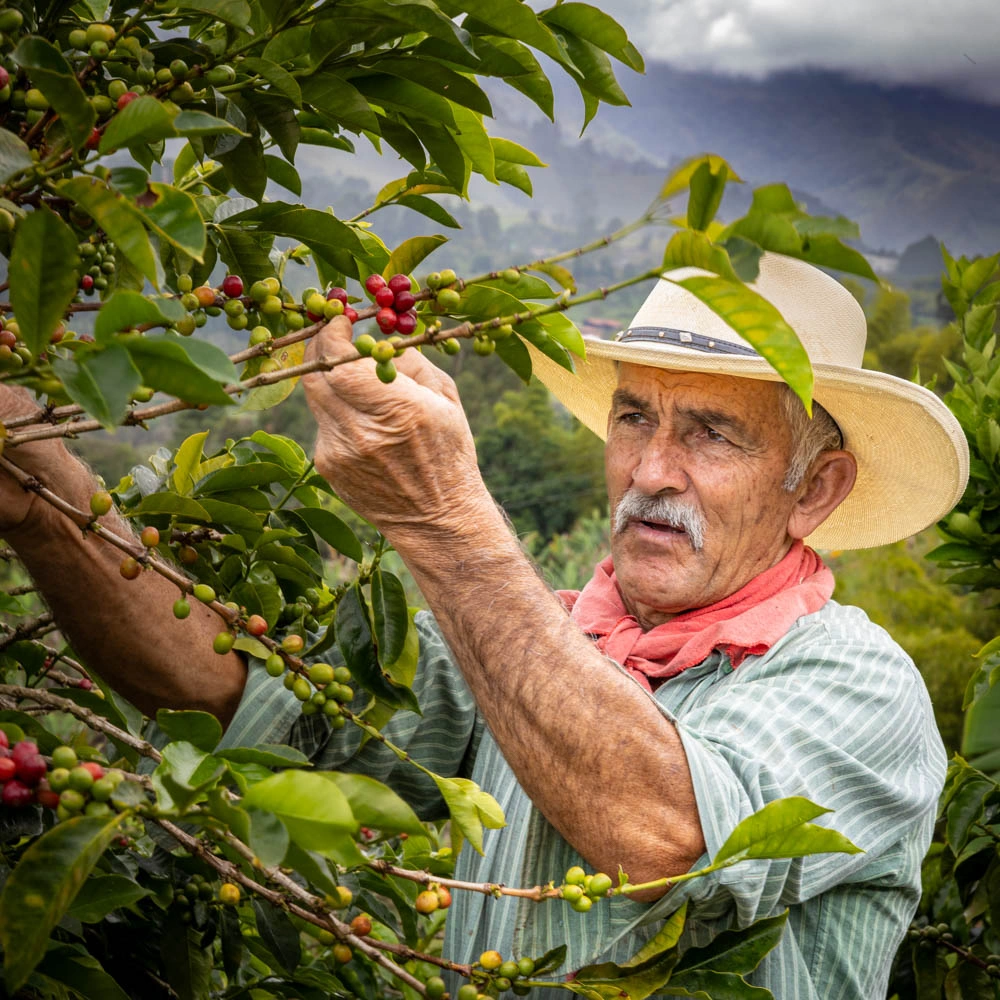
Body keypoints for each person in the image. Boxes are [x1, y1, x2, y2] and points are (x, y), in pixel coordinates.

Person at [0, 253, 969, 998]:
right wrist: (39, 488)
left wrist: (443, 519)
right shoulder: (544, 648)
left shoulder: (856, 686)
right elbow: (227, 691)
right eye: (634, 418)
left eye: (712, 433)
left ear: (816, 489)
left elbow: (667, 832)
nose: (651, 471)